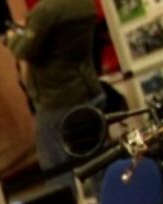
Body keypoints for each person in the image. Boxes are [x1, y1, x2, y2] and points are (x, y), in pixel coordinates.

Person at [7, 0, 106, 172]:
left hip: (57, 99)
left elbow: (25, 51)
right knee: (96, 162)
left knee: (57, 170)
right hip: (88, 87)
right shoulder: (85, 5)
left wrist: (13, 37)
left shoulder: (46, 10)